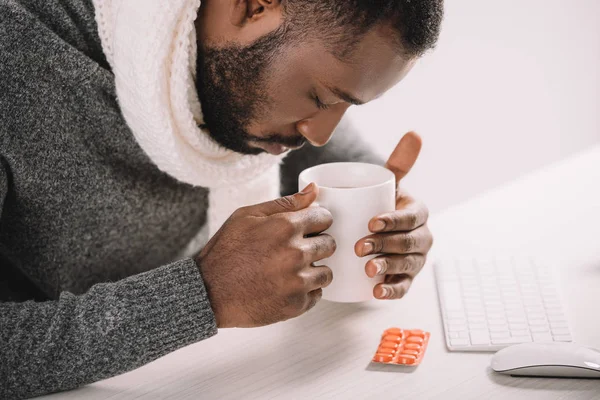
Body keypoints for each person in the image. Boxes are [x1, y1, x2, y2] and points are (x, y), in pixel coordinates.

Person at [0, 0, 443, 397]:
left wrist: (388, 224)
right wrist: (204, 294)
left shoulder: (271, 83)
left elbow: (342, 162)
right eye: (320, 98)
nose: (318, 132)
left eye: (346, 106)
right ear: (253, 8)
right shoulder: (14, 58)